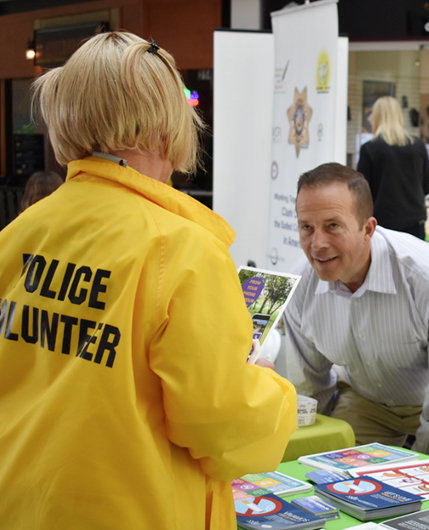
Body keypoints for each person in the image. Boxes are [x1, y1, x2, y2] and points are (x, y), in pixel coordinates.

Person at [0, 31, 297, 530]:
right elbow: (220, 422)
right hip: (134, 509)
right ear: (166, 124)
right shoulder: (181, 249)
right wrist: (271, 386)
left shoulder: (18, 234)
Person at [284, 162, 429, 460]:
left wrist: (424, 472)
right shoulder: (302, 285)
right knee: (326, 474)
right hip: (369, 404)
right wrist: (316, 449)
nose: (317, 244)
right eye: (306, 227)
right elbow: (310, 386)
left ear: (367, 228)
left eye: (333, 226)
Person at [357, 96, 429, 239]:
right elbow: (427, 187)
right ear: (399, 116)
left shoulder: (370, 149)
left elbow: (362, 194)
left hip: (382, 226)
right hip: (415, 223)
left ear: (377, 117)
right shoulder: (418, 146)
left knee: (382, 262)